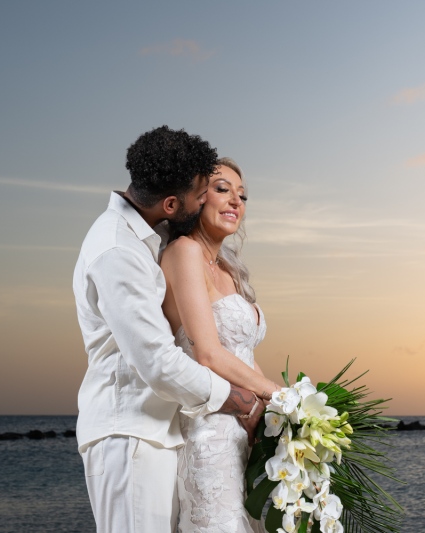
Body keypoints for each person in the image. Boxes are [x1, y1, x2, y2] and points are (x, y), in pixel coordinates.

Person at [72, 126, 262, 533]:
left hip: (161, 431)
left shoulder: (146, 237)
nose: (223, 200)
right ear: (173, 204)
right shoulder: (118, 249)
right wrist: (242, 401)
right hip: (128, 432)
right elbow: (157, 361)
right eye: (205, 192)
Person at [161, 158, 276, 532]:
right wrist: (276, 395)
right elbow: (207, 353)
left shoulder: (229, 269)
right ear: (195, 198)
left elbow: (246, 355)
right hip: (213, 432)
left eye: (242, 195)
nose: (235, 202)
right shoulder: (183, 251)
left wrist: (281, 413)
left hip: (248, 430)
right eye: (223, 189)